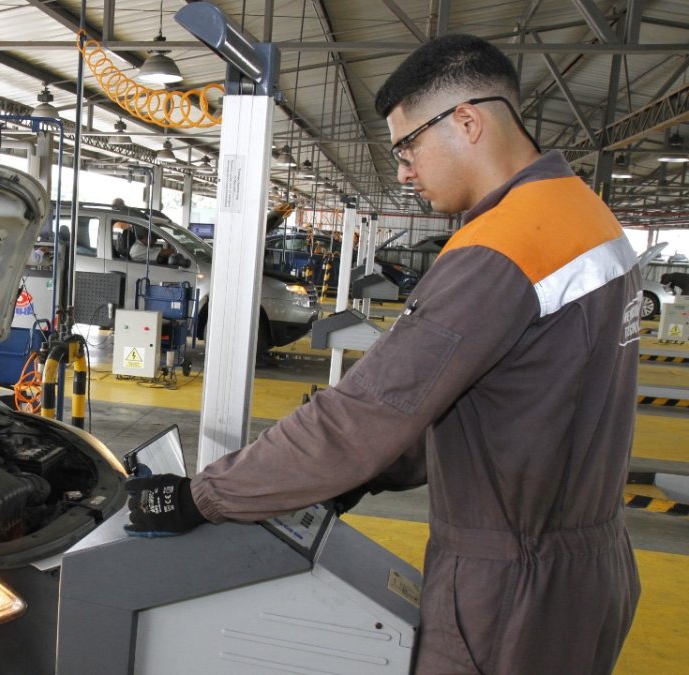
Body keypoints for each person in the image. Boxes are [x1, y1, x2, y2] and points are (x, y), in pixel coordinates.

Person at [126, 34, 640, 675]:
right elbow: (511, 403)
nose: (402, 170)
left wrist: (201, 497)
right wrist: (372, 473)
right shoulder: (586, 217)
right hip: (591, 569)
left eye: (407, 146)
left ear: (468, 121)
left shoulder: (502, 248)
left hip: (509, 589)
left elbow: (362, 415)